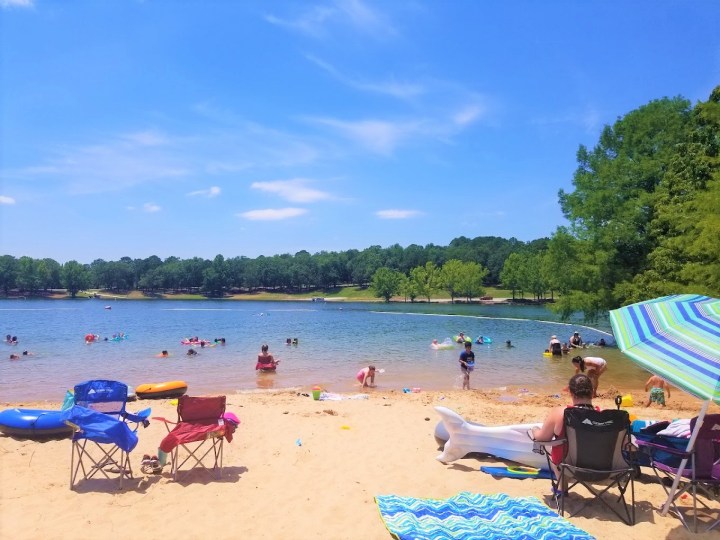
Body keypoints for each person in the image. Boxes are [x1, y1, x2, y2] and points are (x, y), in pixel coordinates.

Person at [530, 373, 595, 477]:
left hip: (568, 468)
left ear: (570, 392)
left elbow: (542, 438)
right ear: (592, 392)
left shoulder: (560, 414)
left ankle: (561, 488)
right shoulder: (604, 417)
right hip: (601, 470)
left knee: (551, 448)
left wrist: (534, 429)